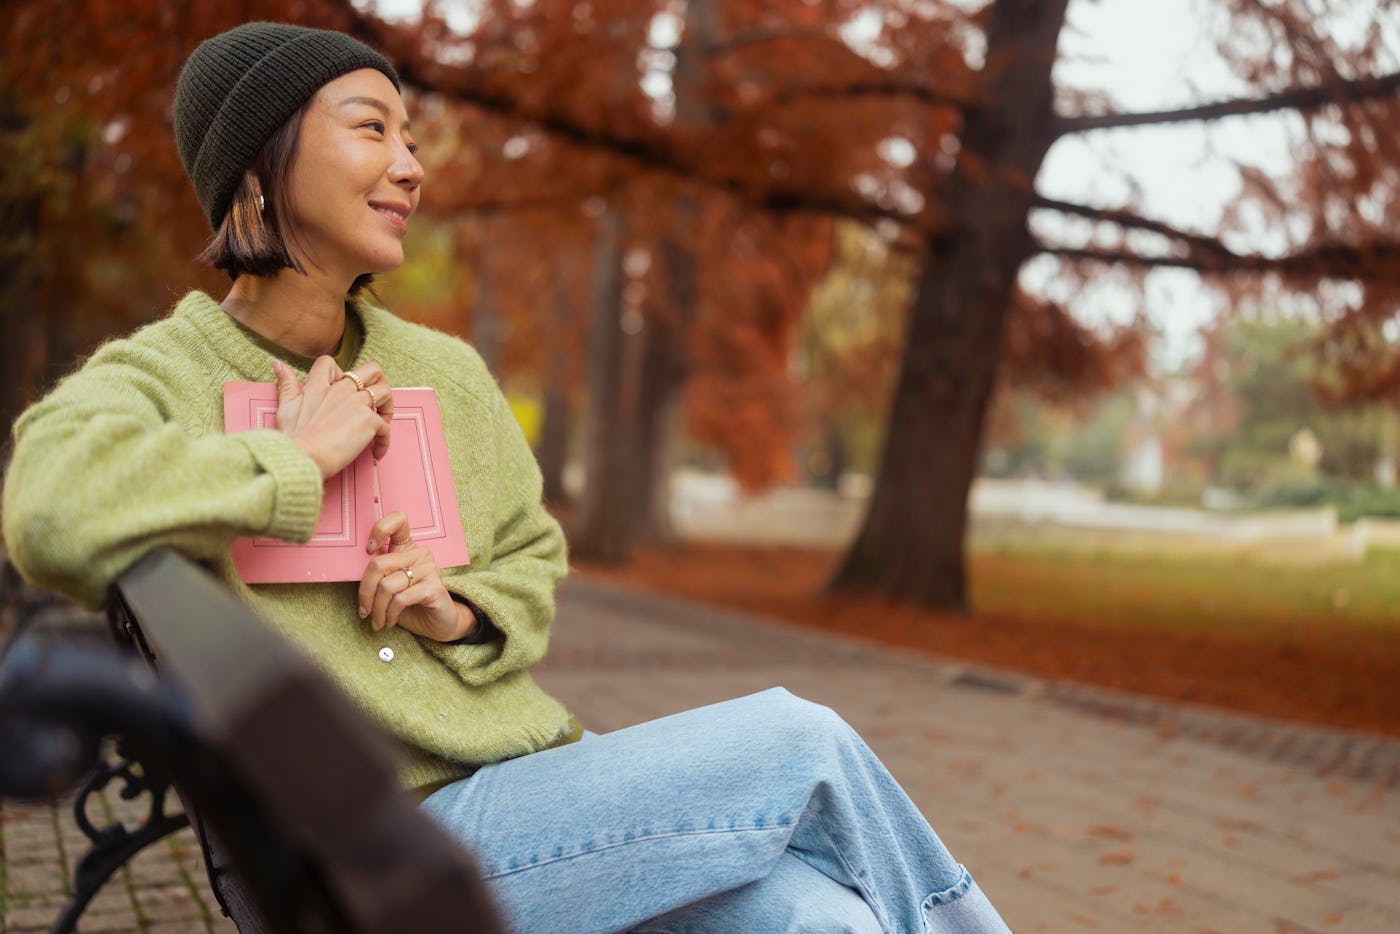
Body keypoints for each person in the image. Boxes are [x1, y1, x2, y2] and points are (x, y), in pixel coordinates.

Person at [2, 21, 1010, 934]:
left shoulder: (442, 372)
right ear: (258, 167)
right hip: (377, 851)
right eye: (371, 129)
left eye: (410, 138)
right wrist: (291, 462)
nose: (408, 167)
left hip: (536, 791)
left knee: (823, 920)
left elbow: (531, 555)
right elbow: (47, 505)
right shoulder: (170, 372)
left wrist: (461, 612)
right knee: (800, 740)